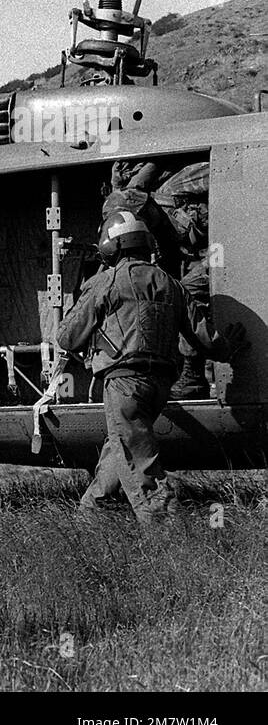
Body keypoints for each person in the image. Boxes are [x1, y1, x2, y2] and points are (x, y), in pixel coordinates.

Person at [56, 209, 246, 523]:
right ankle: (90, 518)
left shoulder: (105, 282)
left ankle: (167, 529)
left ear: (111, 246)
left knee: (137, 459)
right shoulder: (172, 285)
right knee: (120, 448)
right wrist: (230, 347)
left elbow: (67, 337)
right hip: (159, 386)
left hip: (124, 384)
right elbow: (205, 338)